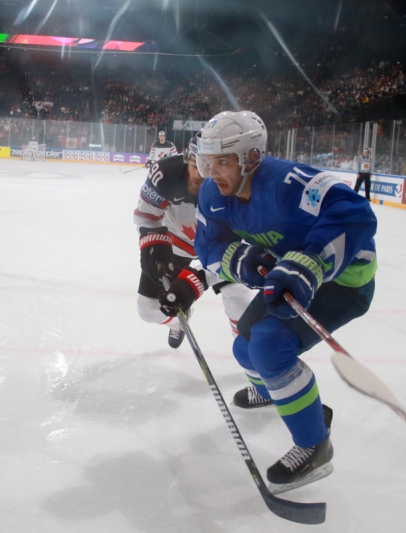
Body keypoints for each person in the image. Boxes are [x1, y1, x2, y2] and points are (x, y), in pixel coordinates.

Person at [185, 110, 377, 493]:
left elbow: (354, 213)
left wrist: (311, 263)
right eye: (207, 161)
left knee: (270, 345)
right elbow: (207, 244)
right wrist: (240, 258)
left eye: (223, 161)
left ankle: (314, 443)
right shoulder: (212, 192)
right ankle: (282, 393)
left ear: (252, 157)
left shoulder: (288, 183)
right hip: (291, 274)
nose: (212, 171)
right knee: (245, 344)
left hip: (343, 279)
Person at [134, 135, 255, 348]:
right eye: (194, 164)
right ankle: (176, 324)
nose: (199, 174)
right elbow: (147, 215)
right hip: (175, 247)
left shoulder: (239, 186)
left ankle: (249, 357)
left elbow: (248, 245)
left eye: (209, 167)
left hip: (221, 249)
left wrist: (197, 279)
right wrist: (153, 245)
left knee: (239, 302)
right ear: (186, 159)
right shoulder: (166, 173)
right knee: (147, 309)